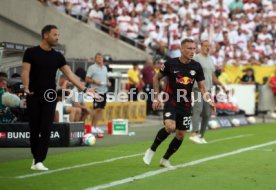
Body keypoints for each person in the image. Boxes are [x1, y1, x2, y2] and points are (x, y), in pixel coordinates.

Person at [22, 24, 97, 171]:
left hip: (50, 97)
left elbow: (70, 75)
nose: (58, 38)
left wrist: (85, 88)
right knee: (34, 129)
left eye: (58, 35)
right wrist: (25, 86)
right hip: (33, 95)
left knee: (46, 128)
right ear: (45, 35)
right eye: (55, 35)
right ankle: (35, 157)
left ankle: (39, 160)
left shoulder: (58, 56)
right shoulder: (31, 53)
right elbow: (25, 71)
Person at [143, 39, 216, 168]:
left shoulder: (196, 66)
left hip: (186, 104)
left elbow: (202, 88)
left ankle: (165, 159)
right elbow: (156, 78)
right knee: (170, 127)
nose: (192, 51)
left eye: (194, 49)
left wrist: (209, 101)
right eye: (189, 48)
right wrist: (156, 97)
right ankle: (152, 149)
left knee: (181, 135)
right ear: (181, 49)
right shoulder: (170, 63)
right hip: (171, 101)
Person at [190, 40, 226, 144]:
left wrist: (221, 84)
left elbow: (213, 76)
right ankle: (194, 133)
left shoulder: (211, 59)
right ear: (201, 47)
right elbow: (191, 72)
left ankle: (201, 135)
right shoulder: (196, 58)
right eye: (205, 46)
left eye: (209, 46)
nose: (207, 48)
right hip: (198, 87)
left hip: (208, 90)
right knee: (198, 108)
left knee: (207, 113)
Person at [85, 53, 110, 135]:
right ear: (95, 59)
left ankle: (95, 126)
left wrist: (108, 82)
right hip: (96, 91)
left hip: (104, 90)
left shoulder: (105, 68)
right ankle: (92, 126)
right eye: (98, 58)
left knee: (100, 109)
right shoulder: (92, 68)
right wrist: (95, 81)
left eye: (101, 58)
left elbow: (106, 77)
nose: (100, 59)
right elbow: (87, 79)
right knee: (96, 109)